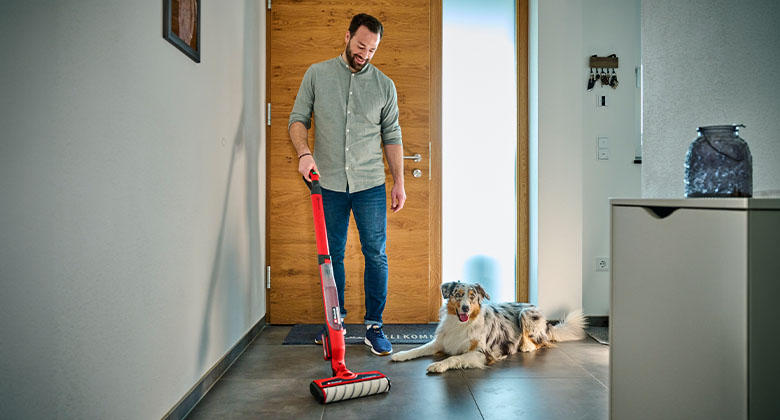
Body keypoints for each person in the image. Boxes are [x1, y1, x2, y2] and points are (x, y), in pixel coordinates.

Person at [288, 13, 405, 356]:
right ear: (347, 37)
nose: (365, 54)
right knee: (331, 256)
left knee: (376, 255)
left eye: (371, 49)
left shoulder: (385, 85)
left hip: (370, 185)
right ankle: (335, 325)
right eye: (360, 46)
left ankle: (374, 326)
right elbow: (297, 119)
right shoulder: (317, 74)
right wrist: (303, 153)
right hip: (329, 184)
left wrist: (398, 181)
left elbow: (392, 135)